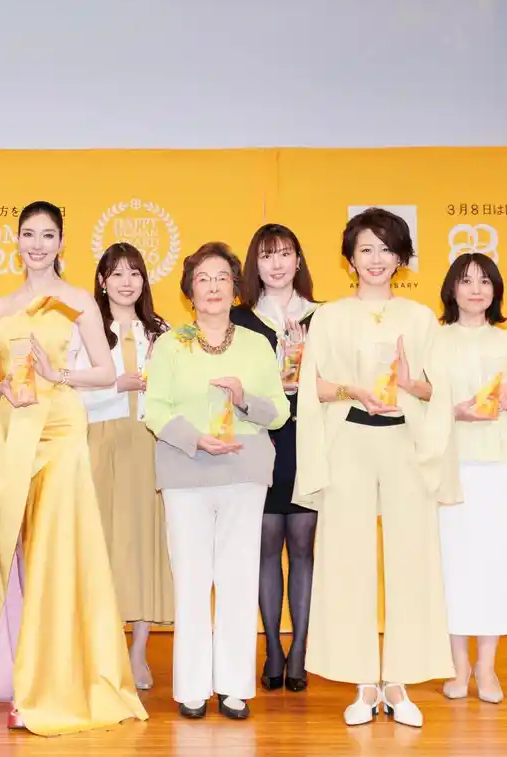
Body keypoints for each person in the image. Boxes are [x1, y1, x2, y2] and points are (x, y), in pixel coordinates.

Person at [0, 201, 148, 736]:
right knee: (15, 551)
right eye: (28, 234)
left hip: (60, 430)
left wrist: (56, 373)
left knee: (53, 551)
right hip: (12, 430)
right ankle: (19, 671)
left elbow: (105, 371)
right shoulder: (2, 306)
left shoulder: (78, 300)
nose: (37, 244)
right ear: (16, 241)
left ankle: (48, 685)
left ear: (61, 243)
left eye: (47, 235)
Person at [295, 207, 458, 728]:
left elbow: (439, 390)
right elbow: (314, 386)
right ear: (350, 259)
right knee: (346, 560)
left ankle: (400, 682)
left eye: (386, 249)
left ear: (401, 258)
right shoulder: (330, 316)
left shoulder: (420, 317)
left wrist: (411, 385)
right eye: (366, 249)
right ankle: (363, 681)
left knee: (413, 559)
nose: (376, 259)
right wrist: (354, 390)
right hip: (349, 441)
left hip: (406, 444)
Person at [145, 242, 289, 720]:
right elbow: (154, 410)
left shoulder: (256, 344)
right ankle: (191, 687)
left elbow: (279, 411)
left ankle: (233, 686)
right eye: (203, 279)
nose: (212, 287)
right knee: (191, 579)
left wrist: (245, 399)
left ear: (235, 288)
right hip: (186, 470)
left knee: (237, 578)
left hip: (243, 472)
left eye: (222, 278)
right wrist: (196, 439)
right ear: (189, 291)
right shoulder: (171, 345)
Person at [436, 252, 507, 704]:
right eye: (466, 280)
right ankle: (458, 667)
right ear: (452, 289)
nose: (476, 289)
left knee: (496, 564)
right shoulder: (434, 341)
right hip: (450, 463)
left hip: (499, 467)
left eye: (484, 281)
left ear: (495, 290)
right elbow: (419, 402)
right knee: (453, 566)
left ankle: (487, 667)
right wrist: (453, 411)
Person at [77, 242, 174, 690]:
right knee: (104, 546)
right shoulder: (85, 331)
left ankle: (138, 652)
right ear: (102, 281)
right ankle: (104, 650)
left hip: (149, 444)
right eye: (116, 274)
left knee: (145, 547)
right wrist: (115, 386)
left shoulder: (162, 332)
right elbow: (69, 393)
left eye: (134, 273)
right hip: (100, 441)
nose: (126, 282)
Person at [230, 223, 319, 692]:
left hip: (308, 441)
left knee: (303, 545)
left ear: (298, 260)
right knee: (266, 544)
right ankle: (273, 648)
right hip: (261, 440)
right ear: (255, 265)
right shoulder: (240, 320)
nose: (277, 264)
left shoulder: (322, 316)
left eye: (285, 253)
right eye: (267, 256)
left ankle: (300, 649)